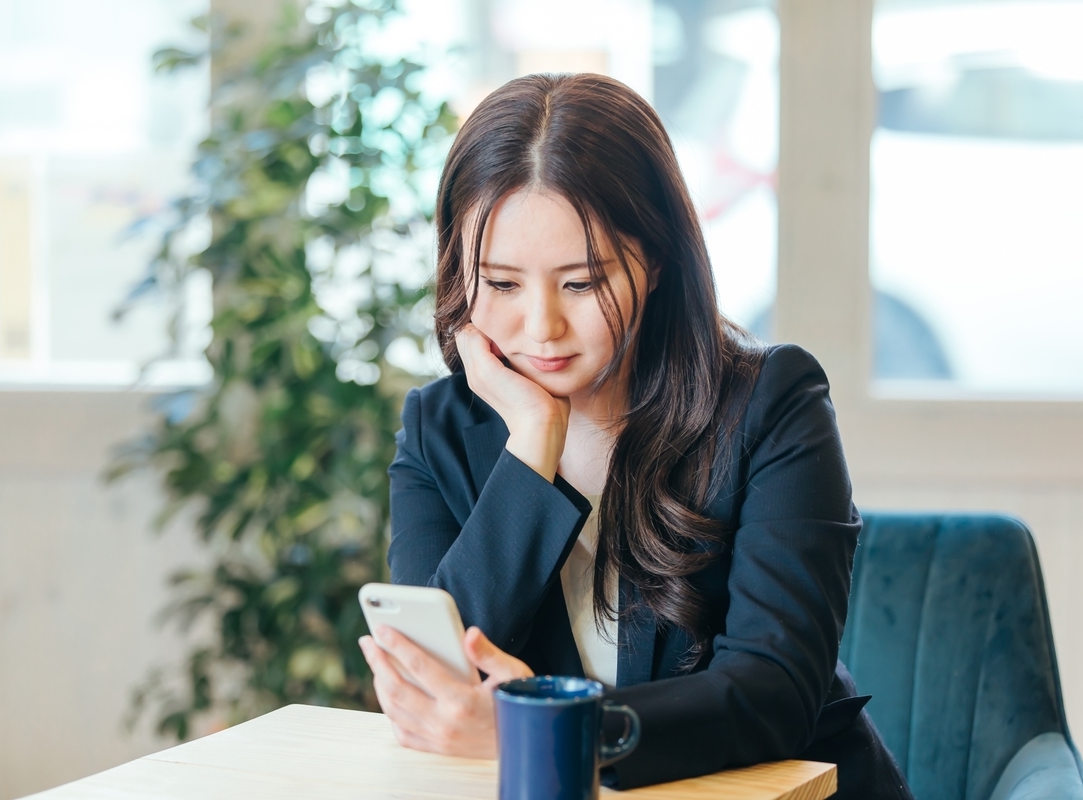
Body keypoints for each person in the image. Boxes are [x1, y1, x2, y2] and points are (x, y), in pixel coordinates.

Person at [357, 73, 912, 799]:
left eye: (582, 283)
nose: (541, 327)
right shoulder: (439, 431)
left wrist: (544, 729)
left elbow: (774, 691)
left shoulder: (773, 404)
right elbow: (438, 678)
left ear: (654, 260)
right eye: (500, 284)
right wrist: (533, 440)